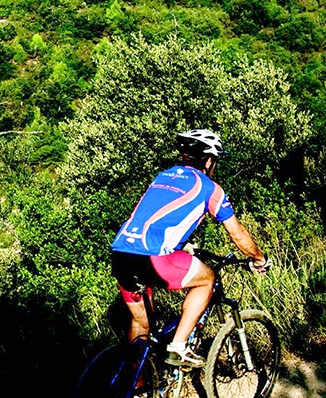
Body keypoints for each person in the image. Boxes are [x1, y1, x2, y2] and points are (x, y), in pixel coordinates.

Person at [110, 128, 270, 368]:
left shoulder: (162, 177)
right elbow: (237, 233)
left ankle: (136, 388)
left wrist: (181, 246)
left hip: (121, 253)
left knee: (140, 324)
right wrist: (259, 258)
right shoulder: (209, 188)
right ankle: (178, 347)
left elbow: (158, 216)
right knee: (207, 279)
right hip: (154, 257)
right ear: (208, 160)